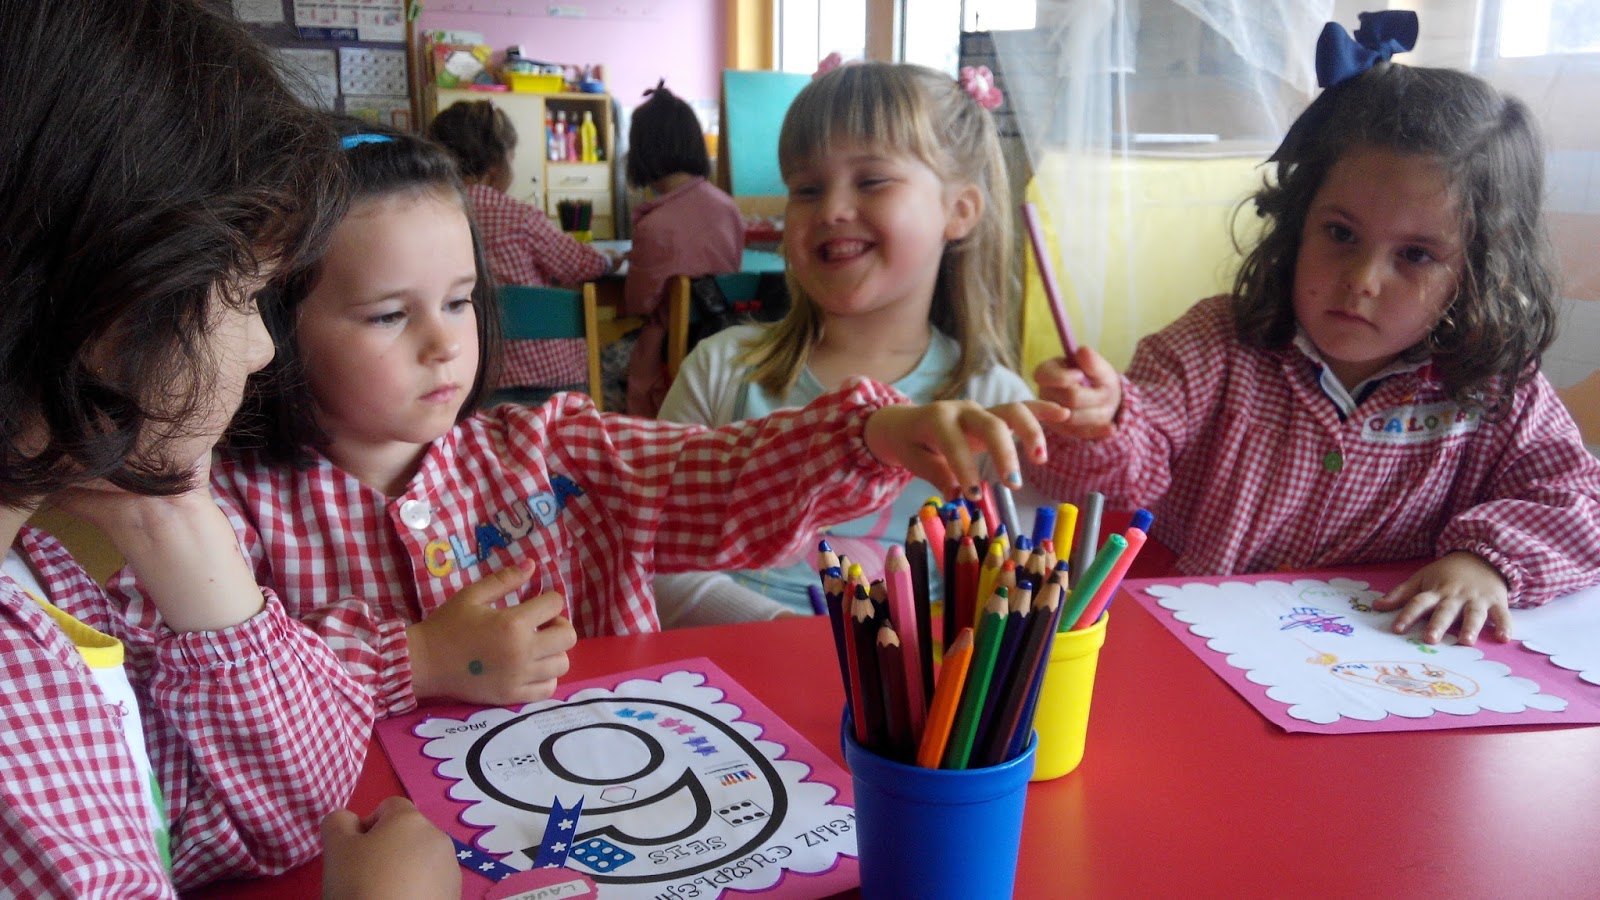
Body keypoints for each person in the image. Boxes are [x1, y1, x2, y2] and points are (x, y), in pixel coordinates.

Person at [110, 120, 1058, 722]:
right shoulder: (225, 512)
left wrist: (867, 436)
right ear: (277, 327)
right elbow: (180, 688)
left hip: (611, 803)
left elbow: (717, 474)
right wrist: (417, 658)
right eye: (390, 315)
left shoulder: (550, 447)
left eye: (461, 300)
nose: (445, 344)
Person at [0, 1, 450, 894]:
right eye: (243, 297)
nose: (262, 350)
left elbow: (288, 808)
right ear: (108, 298)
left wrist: (167, 505)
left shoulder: (41, 577)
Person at [1028, 11, 1600, 647]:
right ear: (1298, 220)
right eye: (1341, 234)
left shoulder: (1495, 387)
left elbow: (1577, 501)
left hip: (1390, 672)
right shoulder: (1214, 344)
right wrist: (1101, 423)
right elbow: (1119, 475)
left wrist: (1485, 561)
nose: (1363, 279)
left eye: (1415, 255)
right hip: (1202, 652)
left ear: (1478, 270)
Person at [653, 61, 1037, 624]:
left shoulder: (993, 399)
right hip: (726, 673)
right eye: (806, 189)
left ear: (959, 210)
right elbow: (653, 553)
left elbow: (1015, 586)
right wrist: (793, 640)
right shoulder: (721, 369)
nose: (830, 210)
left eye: (872, 181)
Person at [428, 100, 622, 405]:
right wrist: (609, 259)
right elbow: (580, 264)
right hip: (552, 380)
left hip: (473, 381)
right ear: (496, 168)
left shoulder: (429, 218)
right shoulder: (518, 217)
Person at [619, 80, 746, 417]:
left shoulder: (654, 225)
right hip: (723, 348)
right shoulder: (729, 208)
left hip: (668, 359)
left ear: (642, 152)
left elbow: (637, 303)